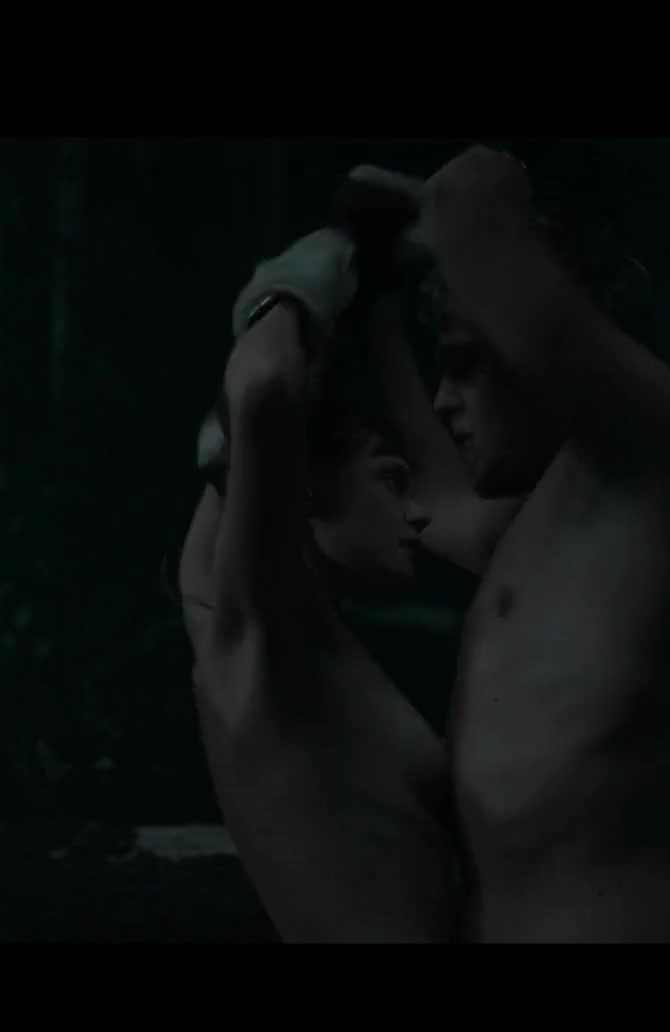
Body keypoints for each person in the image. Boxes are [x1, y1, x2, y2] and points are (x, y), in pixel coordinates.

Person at [356, 149, 670, 942]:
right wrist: (377, 307)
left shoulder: (657, 473)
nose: (444, 400)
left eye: (466, 366)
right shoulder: (536, 528)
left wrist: (404, 210)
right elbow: (436, 500)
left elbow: (479, 187)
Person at [176, 225, 459, 943]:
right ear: (306, 494)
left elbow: (233, 441)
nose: (417, 513)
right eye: (391, 481)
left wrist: (367, 305)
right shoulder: (257, 646)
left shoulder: (268, 637)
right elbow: (265, 387)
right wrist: (320, 260)